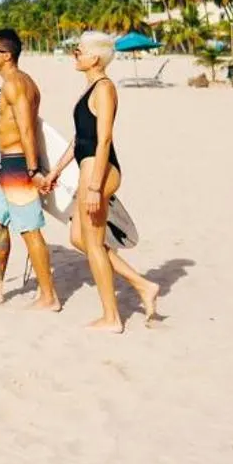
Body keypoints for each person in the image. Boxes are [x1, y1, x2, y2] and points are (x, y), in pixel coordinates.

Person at [44, 31, 161, 332]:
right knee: (79, 238)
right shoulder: (90, 88)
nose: (75, 55)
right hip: (88, 166)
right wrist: (56, 171)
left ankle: (112, 317)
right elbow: (81, 138)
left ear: (94, 58)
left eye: (78, 51)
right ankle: (143, 285)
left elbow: (104, 137)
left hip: (99, 169)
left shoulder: (105, 89)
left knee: (94, 244)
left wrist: (95, 185)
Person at [0, 28, 59, 310]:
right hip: (8, 165)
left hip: (19, 166)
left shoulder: (15, 85)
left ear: (6, 55)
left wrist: (33, 172)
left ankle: (49, 296)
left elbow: (26, 128)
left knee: (29, 230)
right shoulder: (19, 82)